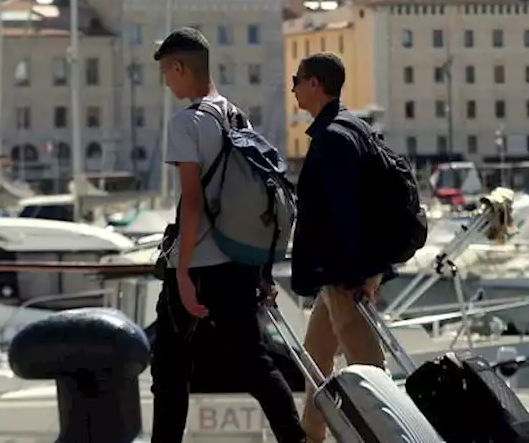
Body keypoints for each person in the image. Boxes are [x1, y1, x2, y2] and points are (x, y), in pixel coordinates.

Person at [150, 27, 305, 443]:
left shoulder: (187, 123)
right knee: (255, 365)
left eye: (168, 72)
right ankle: (296, 439)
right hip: (238, 262)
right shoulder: (236, 115)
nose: (167, 81)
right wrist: (262, 272)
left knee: (169, 371)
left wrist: (181, 272)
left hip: (199, 264)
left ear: (181, 67)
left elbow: (192, 202)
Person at [289, 51, 391, 443]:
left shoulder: (334, 138)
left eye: (296, 80)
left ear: (314, 83)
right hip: (343, 268)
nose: (293, 88)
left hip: (346, 272)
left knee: (367, 365)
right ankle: (311, 435)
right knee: (315, 356)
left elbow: (343, 212)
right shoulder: (352, 127)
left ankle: (390, 434)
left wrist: (352, 276)